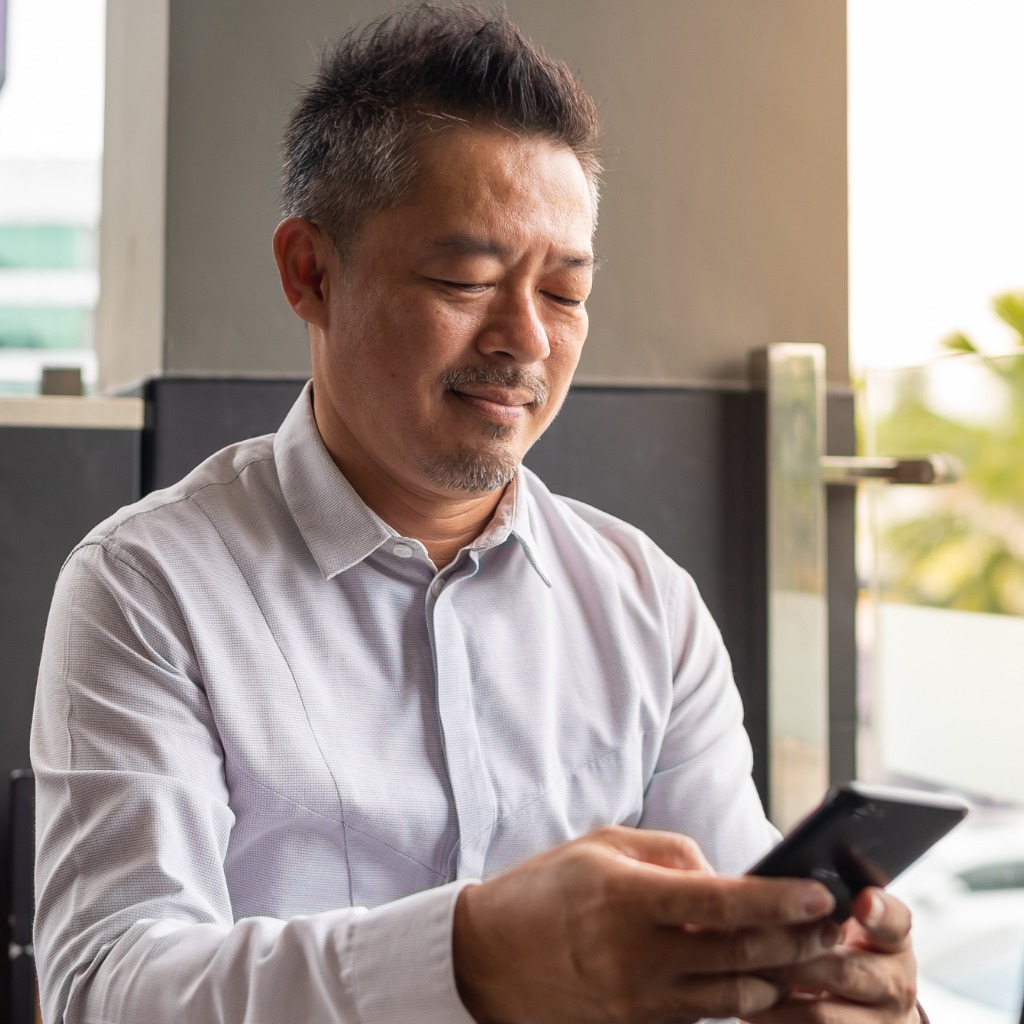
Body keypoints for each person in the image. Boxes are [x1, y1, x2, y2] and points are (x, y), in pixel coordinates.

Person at [32, 5, 923, 1023]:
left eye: (566, 292)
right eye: (466, 279)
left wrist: (830, 989)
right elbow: (107, 987)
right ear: (309, 272)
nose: (526, 341)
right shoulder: (147, 586)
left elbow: (734, 937)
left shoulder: (646, 602)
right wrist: (473, 954)